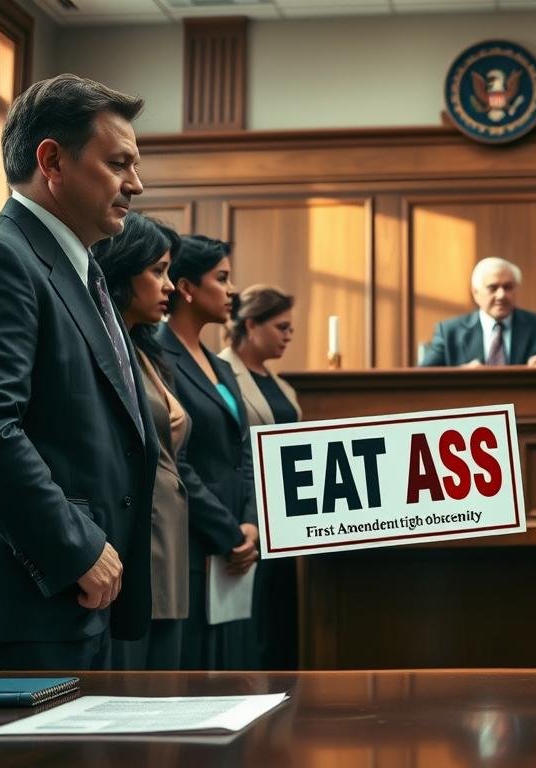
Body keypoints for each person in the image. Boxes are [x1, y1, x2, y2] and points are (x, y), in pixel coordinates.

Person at [0, 75, 157, 672]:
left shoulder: (85, 268)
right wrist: (77, 547)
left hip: (84, 602)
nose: (136, 183)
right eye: (118, 164)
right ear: (52, 161)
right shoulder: (3, 256)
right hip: (35, 600)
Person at [155, 235, 259, 670]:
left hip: (238, 543)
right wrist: (227, 531)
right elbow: (174, 460)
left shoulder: (220, 365)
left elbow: (245, 450)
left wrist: (253, 522)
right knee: (198, 676)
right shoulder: (158, 356)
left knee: (237, 672)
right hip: (195, 542)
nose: (232, 290)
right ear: (186, 288)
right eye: (222, 278)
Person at [93, 212, 190, 670]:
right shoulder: (105, 346)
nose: (169, 285)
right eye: (158, 271)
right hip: (133, 546)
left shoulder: (147, 351)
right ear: (123, 268)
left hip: (169, 546)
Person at [219, 285, 302, 669]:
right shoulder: (219, 372)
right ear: (251, 324)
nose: (289, 336)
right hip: (247, 512)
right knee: (251, 630)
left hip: (287, 520)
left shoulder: (282, 384)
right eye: (281, 327)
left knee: (283, 621)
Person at [420, 257, 536, 367]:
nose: (501, 295)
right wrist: (460, 374)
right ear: (475, 293)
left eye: (508, 287)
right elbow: (423, 377)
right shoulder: (449, 331)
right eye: (492, 288)